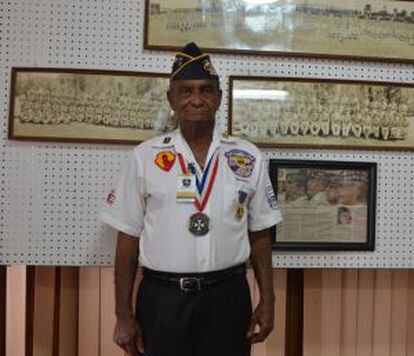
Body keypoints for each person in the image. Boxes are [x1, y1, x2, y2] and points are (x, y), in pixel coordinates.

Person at [99, 42, 282, 356]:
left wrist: (267, 301)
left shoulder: (247, 156)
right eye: (185, 91)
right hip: (162, 301)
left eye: (206, 90)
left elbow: (260, 234)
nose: (196, 99)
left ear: (219, 98)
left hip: (228, 299)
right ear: (171, 99)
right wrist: (123, 314)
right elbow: (127, 240)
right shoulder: (145, 157)